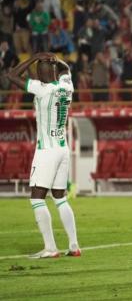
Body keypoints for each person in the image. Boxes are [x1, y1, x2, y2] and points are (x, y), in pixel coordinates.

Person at [6, 52, 80, 258]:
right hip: (63, 148)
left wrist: (34, 57)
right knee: (60, 198)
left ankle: (50, 248)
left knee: (36, 198)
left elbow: (11, 75)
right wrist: (58, 60)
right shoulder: (66, 86)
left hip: (46, 151)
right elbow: (66, 70)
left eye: (37, 69)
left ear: (40, 73)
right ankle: (74, 246)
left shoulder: (41, 89)